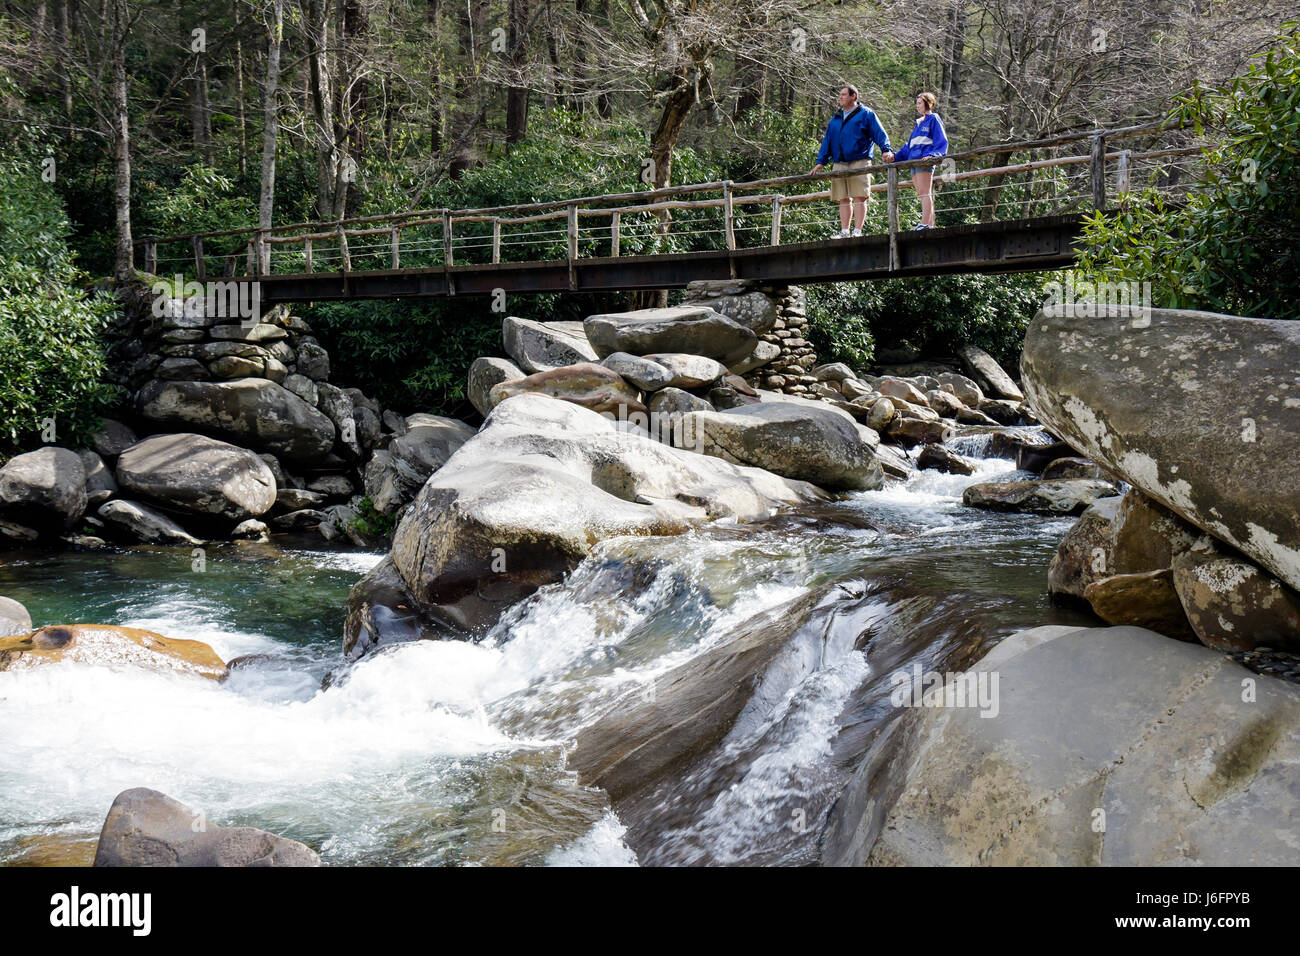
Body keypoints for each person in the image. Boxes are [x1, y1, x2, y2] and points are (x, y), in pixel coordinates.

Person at [811, 85, 893, 239]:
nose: (840, 97)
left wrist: (886, 149)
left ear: (853, 96)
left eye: (843, 94)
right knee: (842, 197)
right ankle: (844, 232)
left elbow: (879, 133)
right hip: (839, 162)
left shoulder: (866, 114)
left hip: (860, 160)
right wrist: (821, 161)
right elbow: (827, 141)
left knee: (859, 196)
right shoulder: (835, 118)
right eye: (840, 94)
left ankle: (857, 231)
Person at [889, 91, 949, 229]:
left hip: (924, 161)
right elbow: (909, 146)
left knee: (924, 192)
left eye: (920, 103)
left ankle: (925, 224)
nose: (917, 106)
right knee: (922, 193)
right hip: (913, 162)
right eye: (916, 103)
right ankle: (929, 224)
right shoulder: (918, 123)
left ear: (928, 103)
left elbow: (942, 140)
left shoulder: (933, 118)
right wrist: (895, 157)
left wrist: (934, 155)